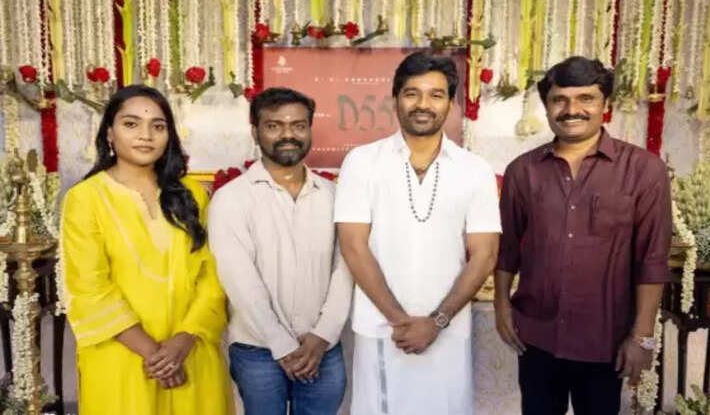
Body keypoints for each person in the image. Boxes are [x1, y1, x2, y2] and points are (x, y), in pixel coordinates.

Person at [494, 56, 672, 415]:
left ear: (605, 104)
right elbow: (507, 248)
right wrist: (501, 306)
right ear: (547, 106)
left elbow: (652, 259)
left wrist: (642, 336)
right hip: (537, 337)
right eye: (559, 100)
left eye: (585, 98)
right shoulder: (523, 171)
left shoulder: (643, 170)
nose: (572, 110)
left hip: (606, 340)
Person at [335, 52, 502, 415]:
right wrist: (400, 320)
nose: (423, 104)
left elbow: (485, 254)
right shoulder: (362, 162)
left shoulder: (474, 170)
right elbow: (353, 246)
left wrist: (436, 322)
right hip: (382, 330)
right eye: (412, 93)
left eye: (436, 95)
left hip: (448, 331)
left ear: (451, 104)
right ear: (395, 99)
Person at [60, 85, 232, 415]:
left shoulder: (192, 195)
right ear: (109, 133)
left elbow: (213, 277)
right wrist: (156, 356)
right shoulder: (85, 199)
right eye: (131, 124)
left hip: (192, 351)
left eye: (158, 126)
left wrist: (184, 339)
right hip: (122, 355)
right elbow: (89, 288)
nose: (146, 135)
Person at [208, 87, 353, 415]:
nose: (288, 135)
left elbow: (345, 270)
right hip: (257, 349)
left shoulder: (334, 196)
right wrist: (282, 344)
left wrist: (323, 335)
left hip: (322, 347)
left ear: (310, 129)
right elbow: (238, 279)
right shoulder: (231, 199)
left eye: (298, 125)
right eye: (274, 126)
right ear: (255, 131)